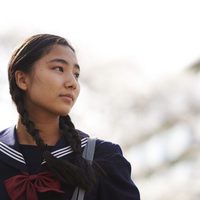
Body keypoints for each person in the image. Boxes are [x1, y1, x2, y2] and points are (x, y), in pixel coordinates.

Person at [0, 34, 140, 200]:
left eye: (76, 74)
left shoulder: (103, 156)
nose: (72, 82)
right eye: (59, 68)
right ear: (22, 79)